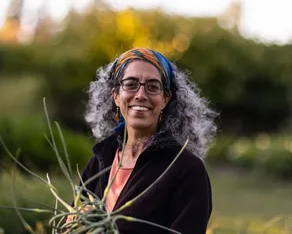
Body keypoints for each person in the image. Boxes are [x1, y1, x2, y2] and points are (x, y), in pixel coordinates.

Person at [80, 48, 217, 234]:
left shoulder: (186, 169)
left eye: (153, 86)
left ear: (165, 99)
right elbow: (72, 219)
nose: (141, 95)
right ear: (116, 96)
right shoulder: (101, 159)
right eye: (131, 84)